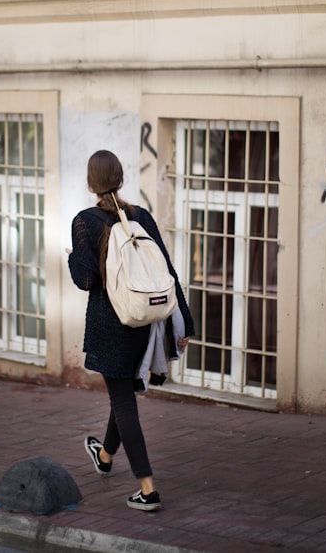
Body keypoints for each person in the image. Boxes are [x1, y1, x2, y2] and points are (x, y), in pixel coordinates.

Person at [67, 149, 194, 512]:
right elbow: (167, 271)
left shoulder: (85, 221)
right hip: (145, 322)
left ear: (91, 183)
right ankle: (105, 456)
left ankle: (147, 489)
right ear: (120, 179)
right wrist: (184, 320)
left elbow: (86, 278)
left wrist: (73, 255)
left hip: (111, 325)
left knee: (122, 400)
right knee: (122, 393)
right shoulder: (142, 216)